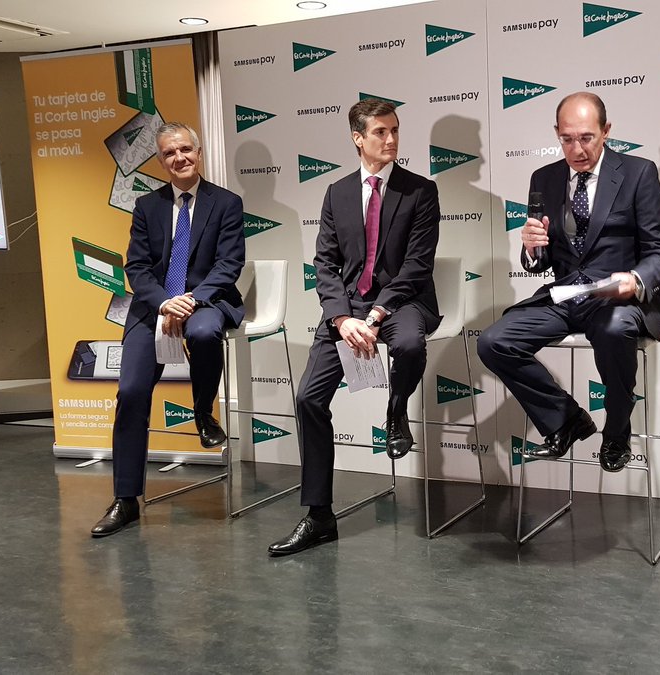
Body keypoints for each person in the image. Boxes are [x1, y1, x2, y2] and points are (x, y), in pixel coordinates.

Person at [268, 99, 441, 556]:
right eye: (380, 132)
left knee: (407, 344)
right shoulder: (337, 193)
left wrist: (376, 314)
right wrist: (343, 318)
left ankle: (396, 410)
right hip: (348, 307)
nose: (391, 140)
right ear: (357, 138)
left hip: (400, 302)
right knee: (308, 397)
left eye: (395, 131)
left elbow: (416, 266)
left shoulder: (421, 191)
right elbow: (325, 264)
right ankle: (319, 514)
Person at [478, 92, 660, 472]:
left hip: (620, 302)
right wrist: (532, 249)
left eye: (586, 137)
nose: (577, 149)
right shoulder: (545, 178)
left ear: (606, 131)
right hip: (566, 295)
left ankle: (617, 428)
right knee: (494, 342)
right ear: (557, 133)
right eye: (567, 138)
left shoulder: (638, 173)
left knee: (613, 328)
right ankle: (565, 419)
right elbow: (541, 261)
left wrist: (636, 280)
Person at [91, 122, 246, 537]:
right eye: (169, 154)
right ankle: (125, 499)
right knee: (132, 392)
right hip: (154, 306)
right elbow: (137, 268)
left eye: (185, 150)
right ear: (160, 161)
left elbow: (228, 264)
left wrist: (191, 300)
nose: (179, 159)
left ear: (198, 152)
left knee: (202, 332)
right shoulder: (147, 206)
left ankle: (203, 413)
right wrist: (164, 301)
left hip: (207, 301)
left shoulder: (227, 203)